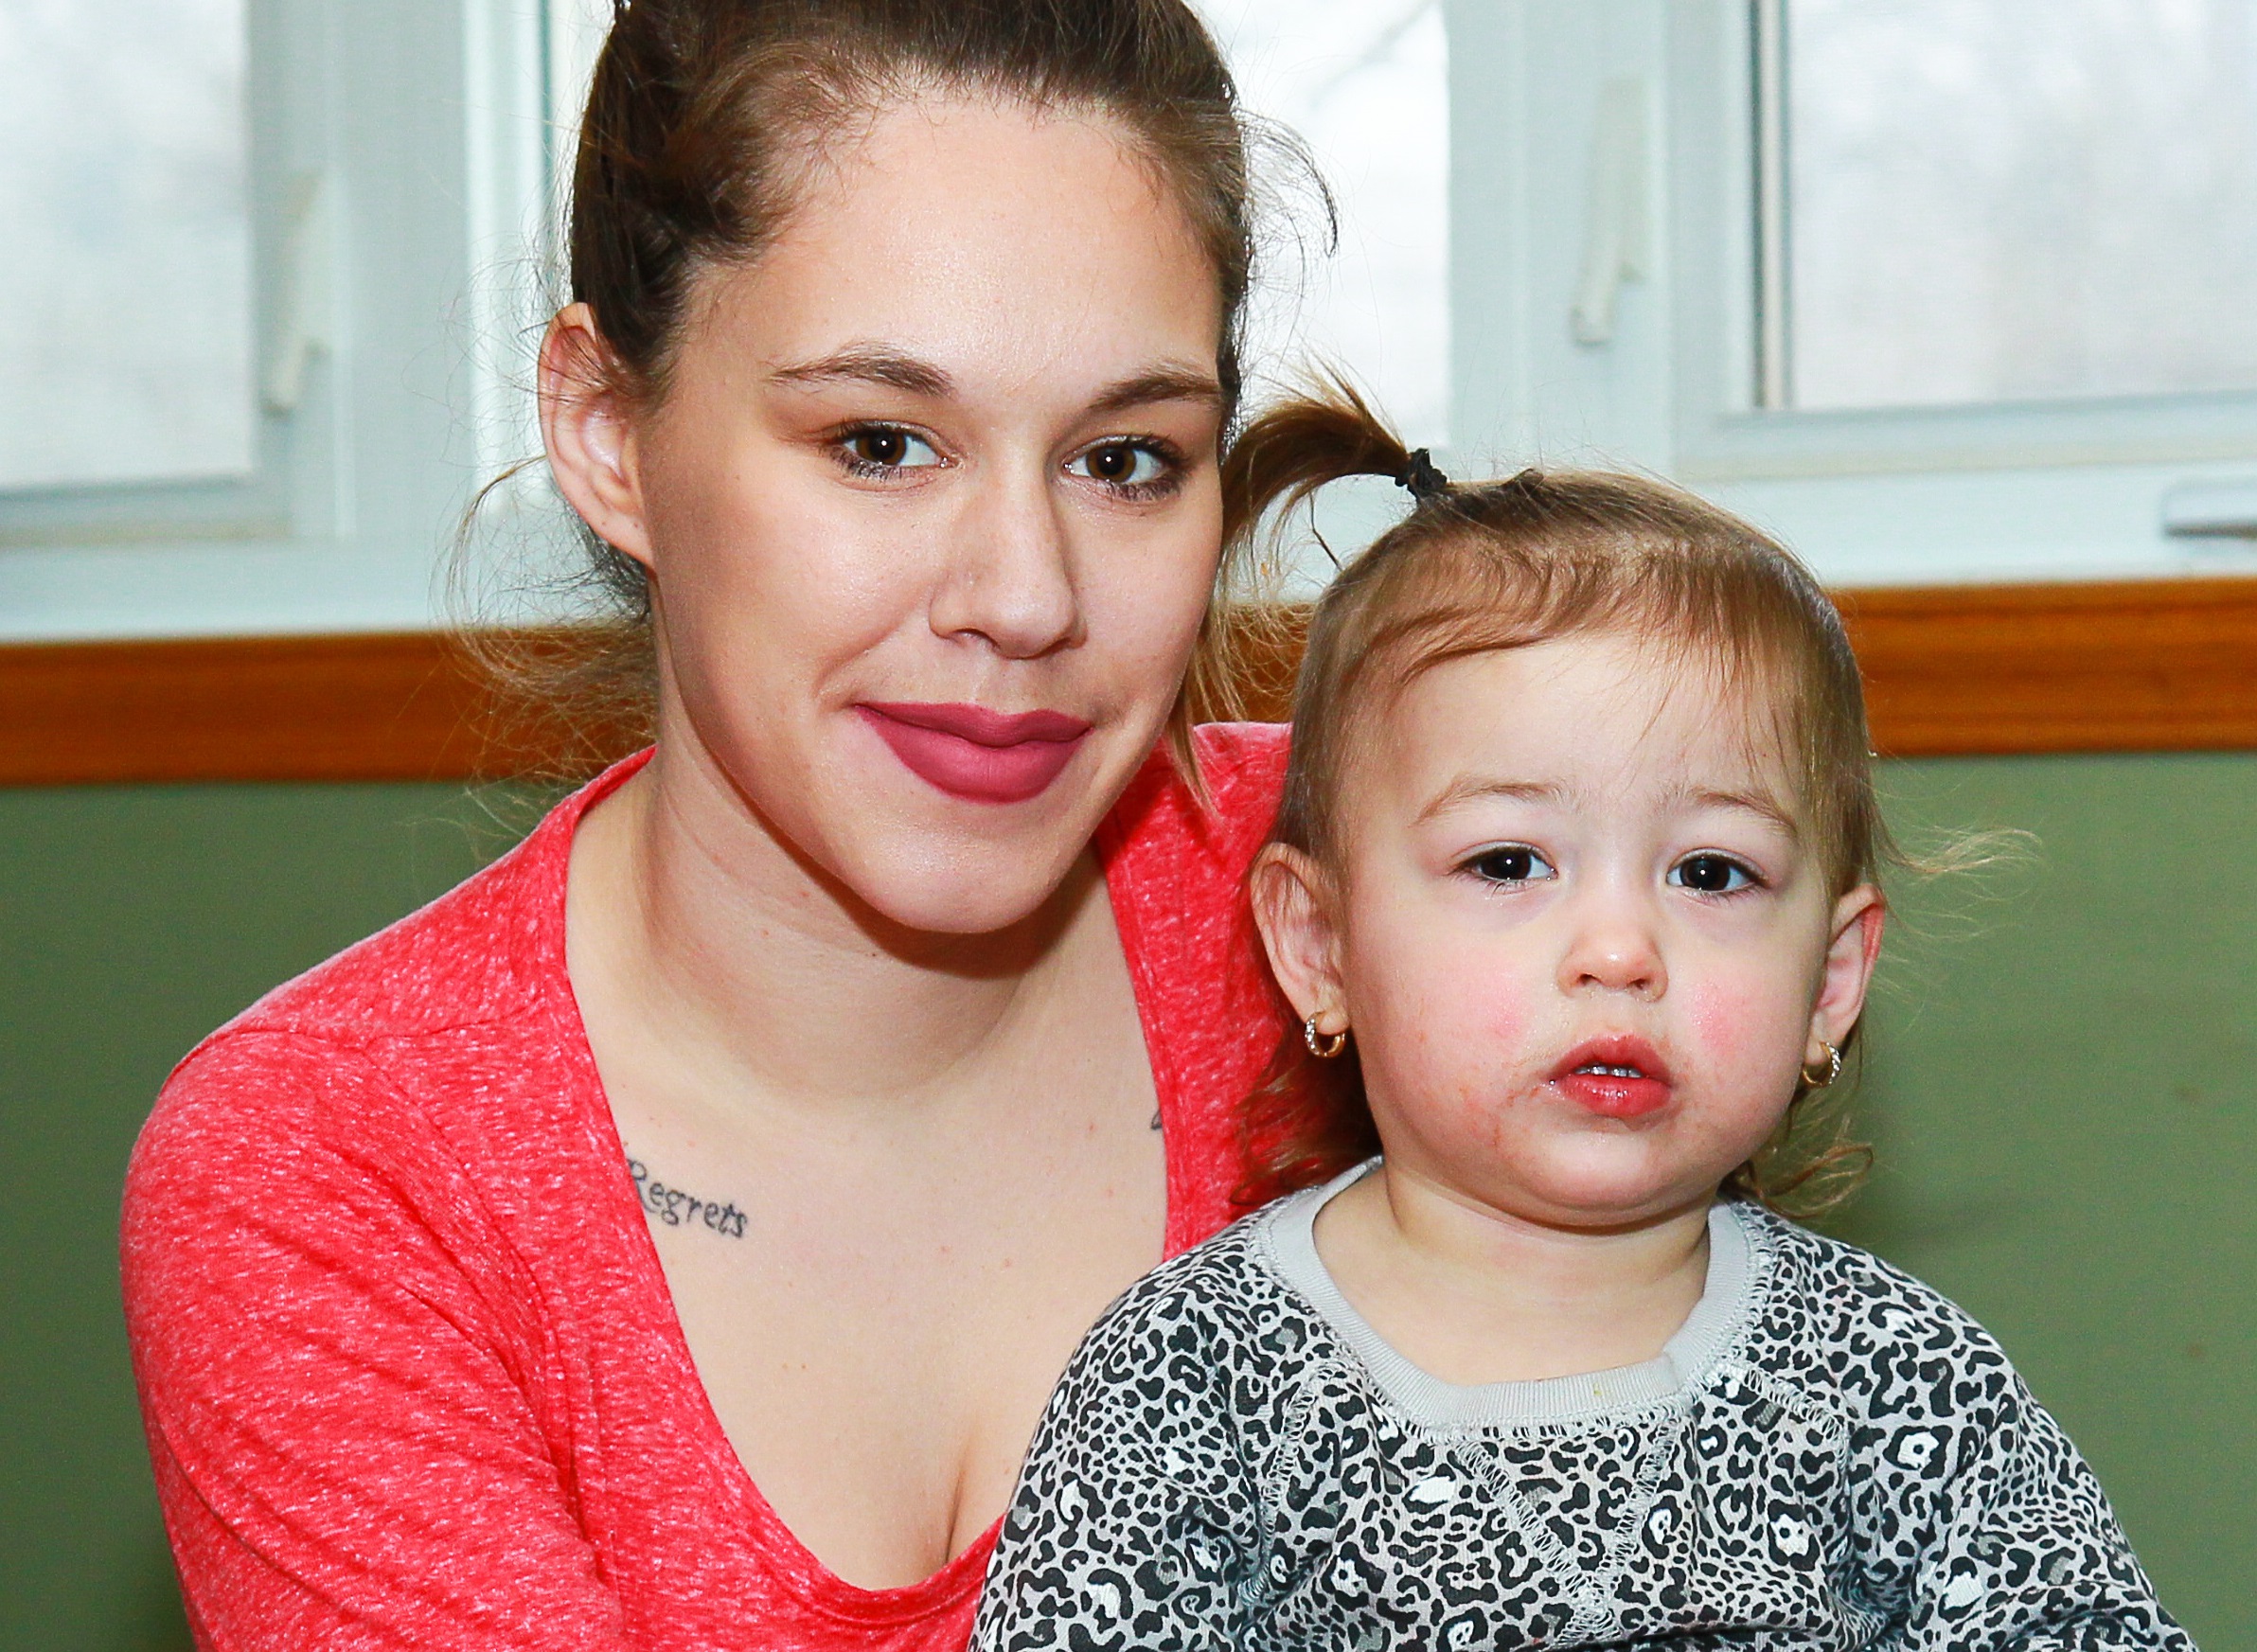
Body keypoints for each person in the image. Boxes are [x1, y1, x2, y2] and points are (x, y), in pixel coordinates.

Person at [119, 4, 1308, 1646]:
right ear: (609, 432)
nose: (1027, 597)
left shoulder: (1400, 908)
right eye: (880, 444)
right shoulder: (340, 1170)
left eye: (1126, 459)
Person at [972, 387, 2192, 1649]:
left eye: (1711, 873)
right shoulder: (1193, 1378)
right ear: (1320, 945)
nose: (1619, 951)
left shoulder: (1896, 1378)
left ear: (1830, 980)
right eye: (1508, 863)